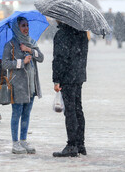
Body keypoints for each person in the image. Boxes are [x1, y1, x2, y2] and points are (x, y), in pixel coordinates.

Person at [2, 17, 44, 154]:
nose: (26, 28)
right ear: (16, 27)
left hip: (31, 85)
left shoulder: (31, 42)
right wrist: (21, 62)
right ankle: (15, 142)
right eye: (23, 26)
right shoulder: (10, 45)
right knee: (16, 114)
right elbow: (5, 64)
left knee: (27, 114)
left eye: (27, 25)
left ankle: (23, 140)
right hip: (17, 85)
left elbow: (41, 58)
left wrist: (30, 50)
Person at [52, 21, 89, 157]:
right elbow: (82, 55)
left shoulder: (62, 34)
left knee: (70, 110)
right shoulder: (82, 33)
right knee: (78, 109)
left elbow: (60, 58)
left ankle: (71, 145)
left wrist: (57, 79)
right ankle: (80, 144)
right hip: (78, 75)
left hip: (67, 77)